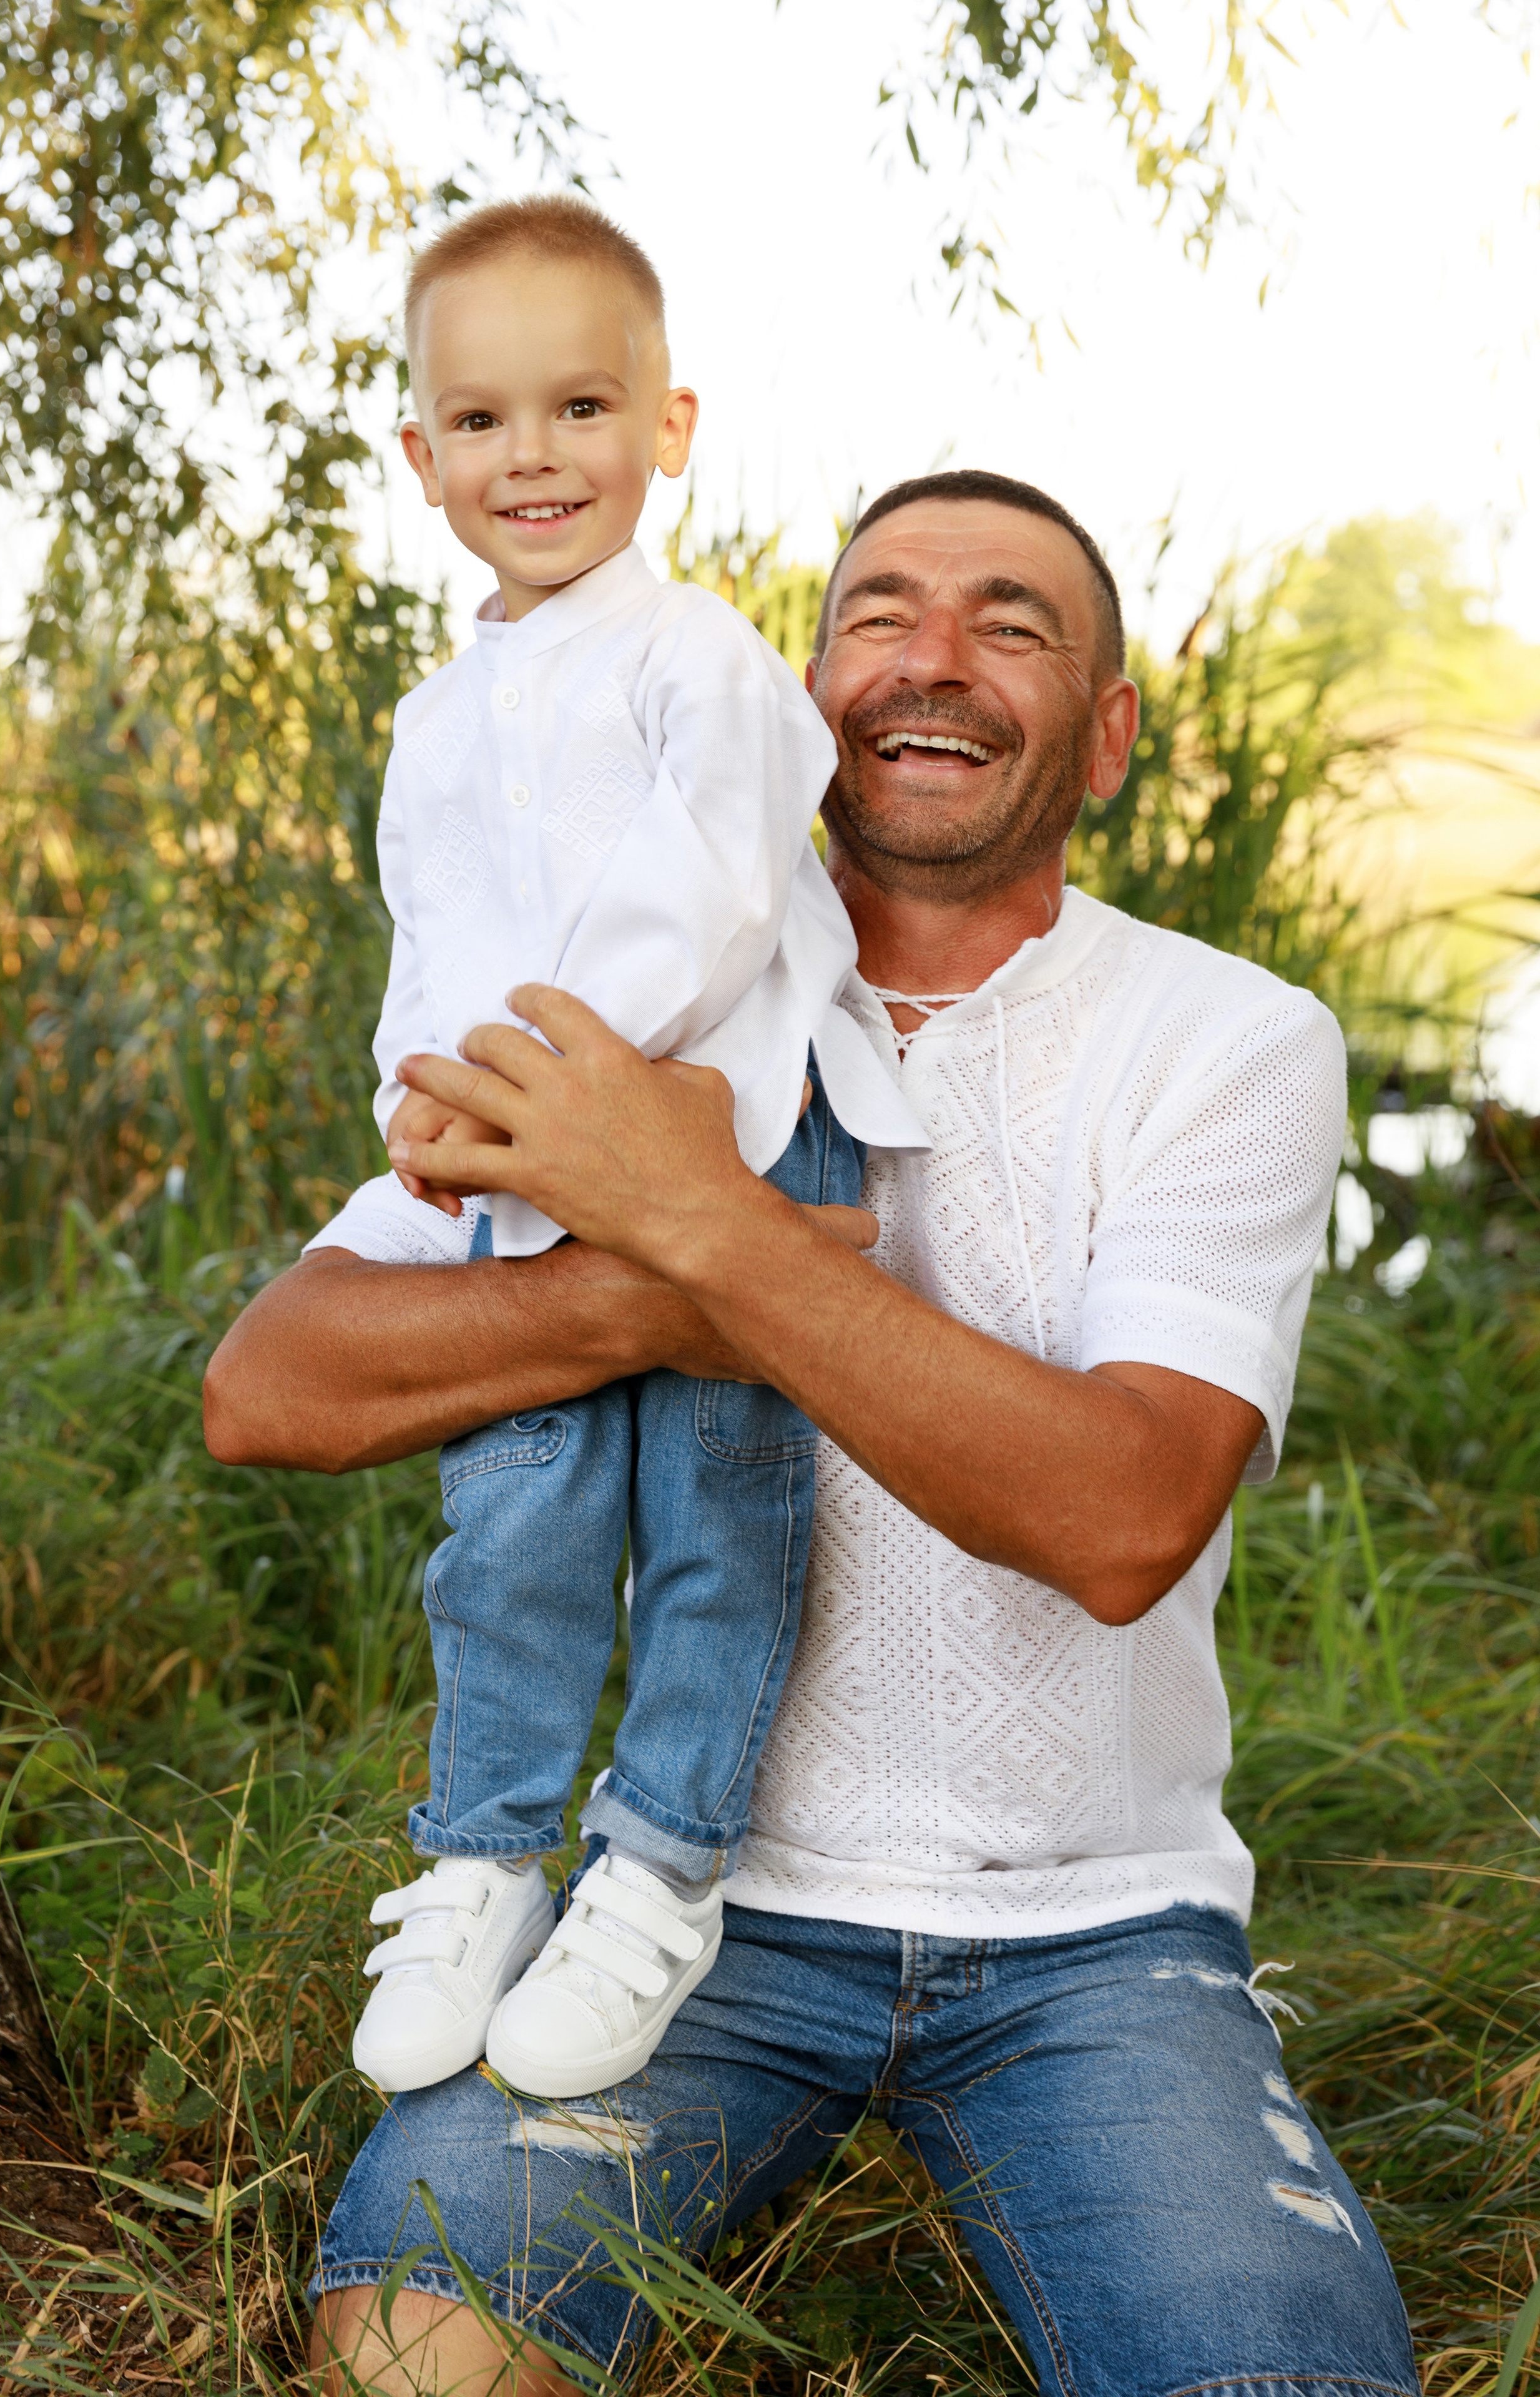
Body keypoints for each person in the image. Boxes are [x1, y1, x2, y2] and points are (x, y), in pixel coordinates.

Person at [204, 469, 1418, 2397]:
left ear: (1105, 732)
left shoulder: (1229, 1037)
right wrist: (638, 1287)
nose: (932, 662)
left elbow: (1121, 1517)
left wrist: (696, 1220)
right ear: (803, 687)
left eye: (1012, 623)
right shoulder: (648, 1006)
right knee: (412, 2359)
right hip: (674, 1912)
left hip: (1097, 1937)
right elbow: (270, 1384)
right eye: (881, 614)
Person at [321, 192, 925, 2106]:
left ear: (669, 427)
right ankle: (484, 1851)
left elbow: (709, 901)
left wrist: (530, 1090)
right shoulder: (434, 720)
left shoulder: (705, 666)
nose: (535, 458)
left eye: (584, 408)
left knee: (717, 1524)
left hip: (730, 1136)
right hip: (519, 1160)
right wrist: (423, 1092)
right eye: (484, 422)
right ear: (422, 457)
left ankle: (661, 1866)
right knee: (516, 1514)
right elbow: (431, 939)